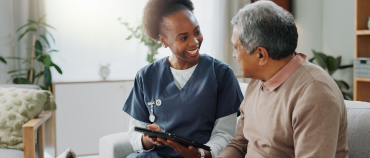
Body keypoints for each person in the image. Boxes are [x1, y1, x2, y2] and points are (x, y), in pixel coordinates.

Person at [217, 1, 349, 158]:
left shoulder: (315, 93)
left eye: (236, 47)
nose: (234, 55)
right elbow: (239, 144)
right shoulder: (258, 81)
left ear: (260, 55)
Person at [122, 0, 243, 158]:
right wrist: (149, 139)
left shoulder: (222, 74)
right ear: (164, 41)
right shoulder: (146, 77)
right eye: (183, 38)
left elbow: (225, 134)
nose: (194, 42)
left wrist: (201, 153)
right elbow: (135, 135)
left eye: (197, 31)